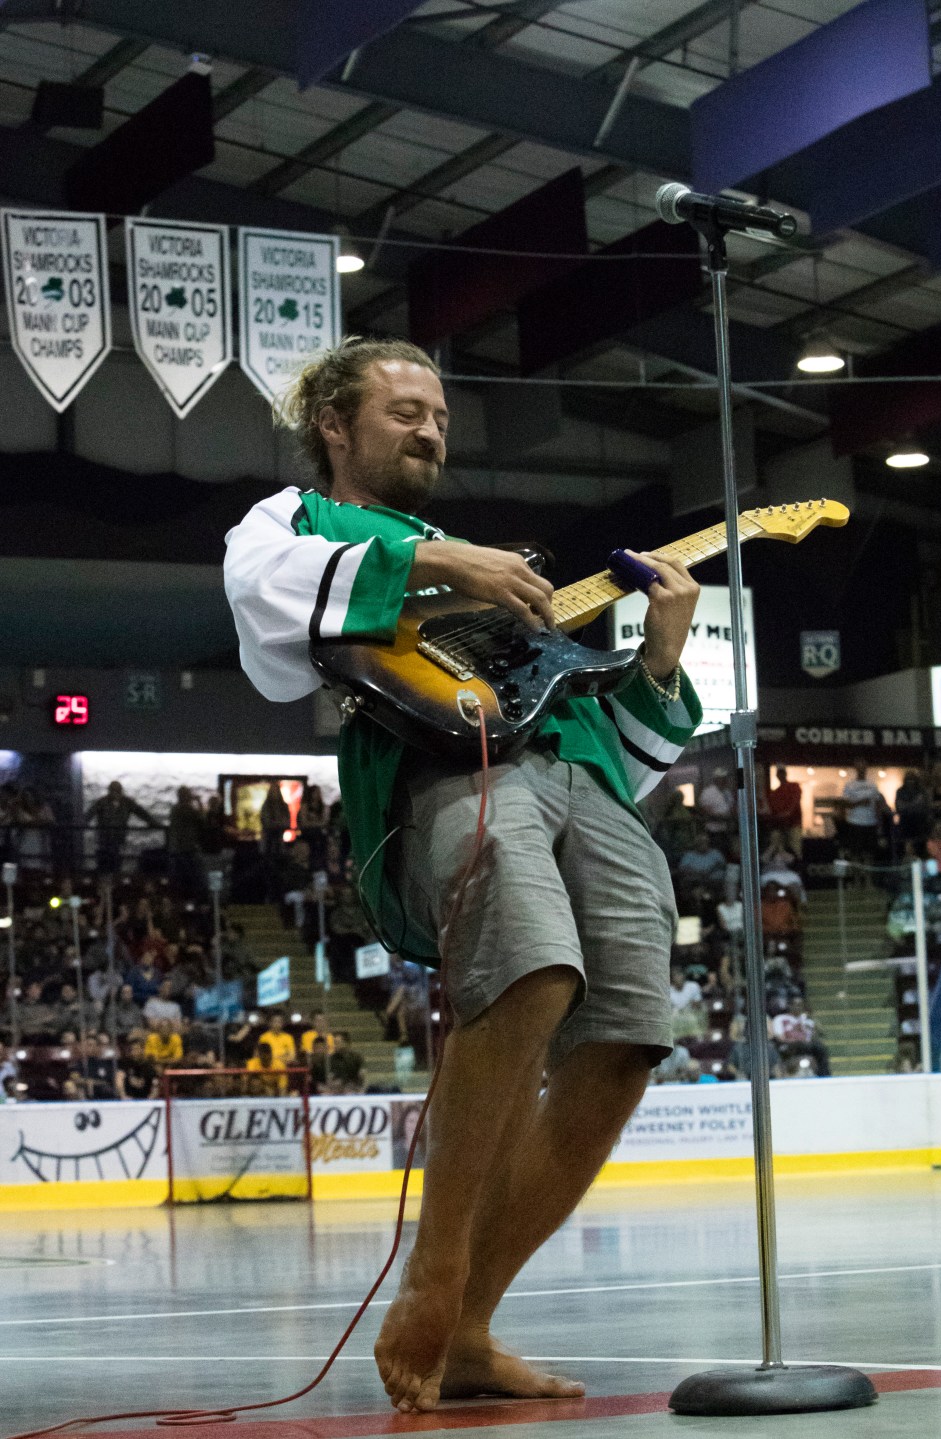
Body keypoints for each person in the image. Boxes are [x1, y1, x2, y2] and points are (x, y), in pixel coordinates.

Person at [223, 335, 702, 1413]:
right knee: (534, 970)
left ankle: (473, 1320)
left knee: (629, 1030)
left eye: (438, 414)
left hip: (583, 776)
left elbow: (615, 744)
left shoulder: (496, 576)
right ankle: (433, 1275)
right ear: (336, 426)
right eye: (403, 412)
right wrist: (450, 561)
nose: (431, 429)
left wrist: (660, 658)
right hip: (447, 770)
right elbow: (260, 609)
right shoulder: (299, 522)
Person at [85, 781, 155, 877]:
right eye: (113, 791)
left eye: (117, 791)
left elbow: (141, 812)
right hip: (105, 840)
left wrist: (152, 822)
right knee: (106, 865)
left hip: (117, 840)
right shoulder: (102, 802)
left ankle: (113, 881)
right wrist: (83, 823)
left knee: (115, 864)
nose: (115, 793)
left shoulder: (126, 802)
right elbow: (89, 814)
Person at [840, 764, 882, 881]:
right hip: (855, 822)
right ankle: (857, 879)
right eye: (859, 767)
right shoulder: (850, 785)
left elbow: (878, 803)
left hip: (870, 822)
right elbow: (844, 803)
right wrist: (859, 803)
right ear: (856, 769)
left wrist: (879, 823)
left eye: (864, 767)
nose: (862, 769)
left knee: (869, 854)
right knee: (855, 854)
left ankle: (868, 879)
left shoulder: (872, 785)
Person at [766, 767, 802, 859]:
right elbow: (773, 809)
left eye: (782, 773)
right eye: (779, 773)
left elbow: (794, 802)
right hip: (780, 825)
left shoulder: (794, 787)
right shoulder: (775, 792)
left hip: (793, 824)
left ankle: (796, 868)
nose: (781, 775)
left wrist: (787, 813)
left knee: (795, 848)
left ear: (785, 774)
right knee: (779, 848)